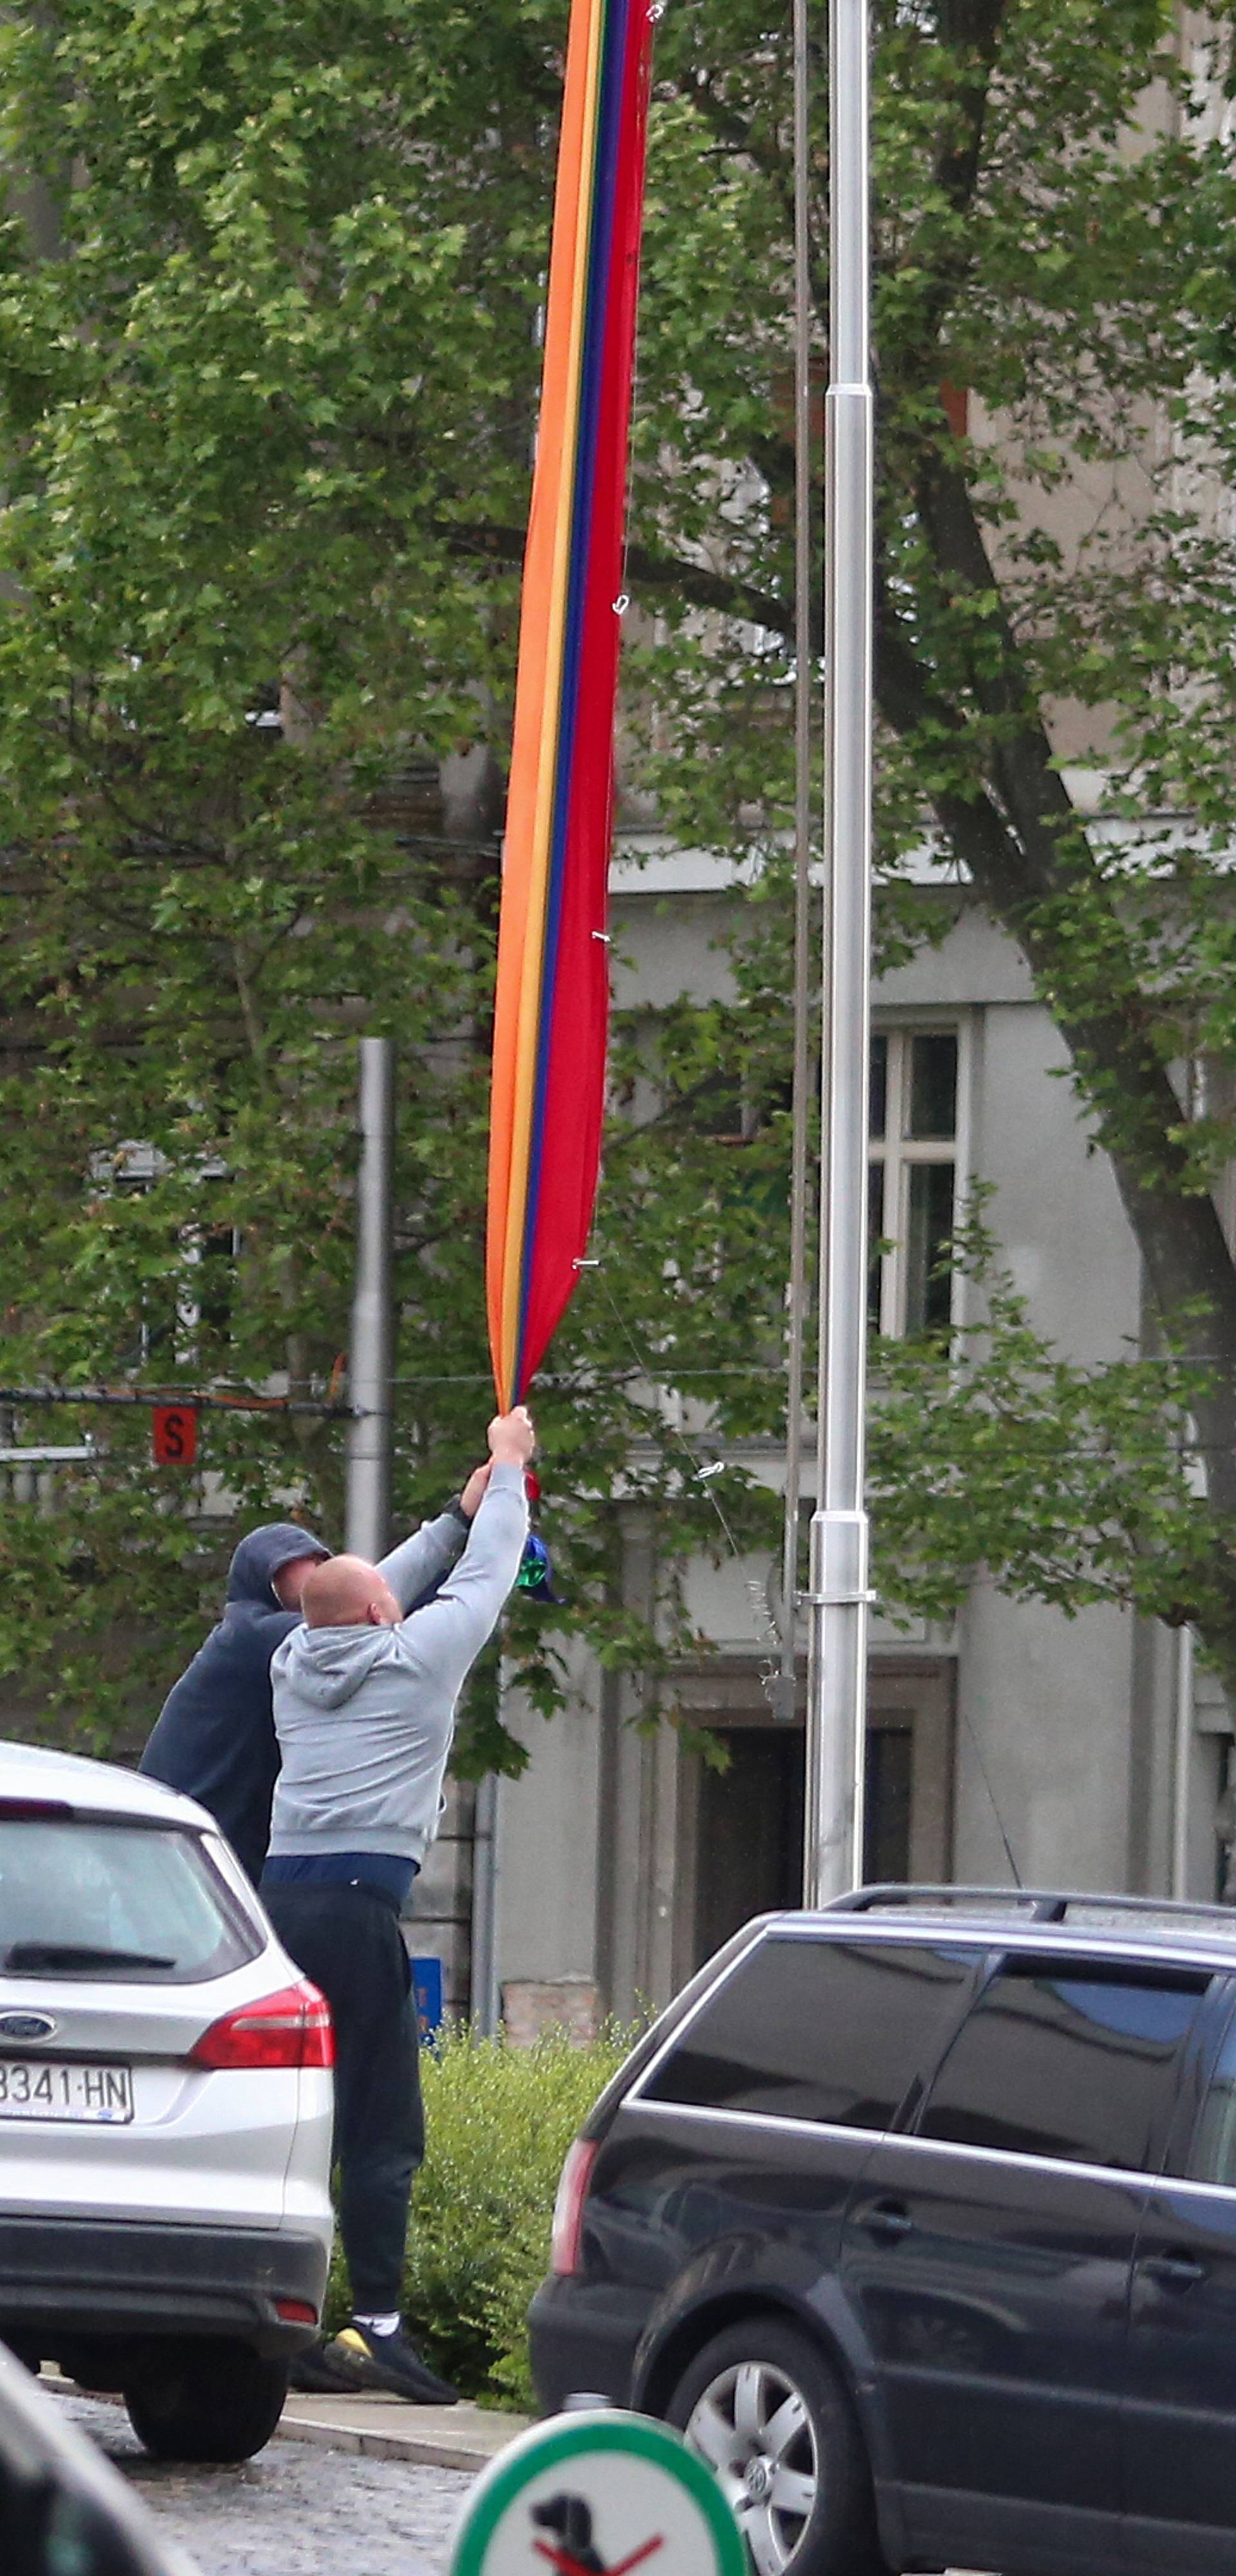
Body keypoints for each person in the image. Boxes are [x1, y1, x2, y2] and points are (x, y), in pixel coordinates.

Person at [259, 1406, 533, 2403]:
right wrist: (505, 1473)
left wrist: (450, 1516)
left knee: (296, 2122)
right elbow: (490, 1575)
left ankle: (277, 2317)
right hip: (355, 1909)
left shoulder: (293, 1666)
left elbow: (380, 1583)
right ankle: (377, 2326)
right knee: (383, 2129)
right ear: (384, 1621)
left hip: (275, 1908)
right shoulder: (418, 1664)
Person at [138, 1523, 332, 1883]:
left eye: (325, 1564)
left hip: (208, 1834)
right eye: (308, 1565)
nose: (324, 1577)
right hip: (187, 1838)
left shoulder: (259, 1635)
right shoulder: (254, 1633)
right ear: (270, 1574)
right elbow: (358, 1620)